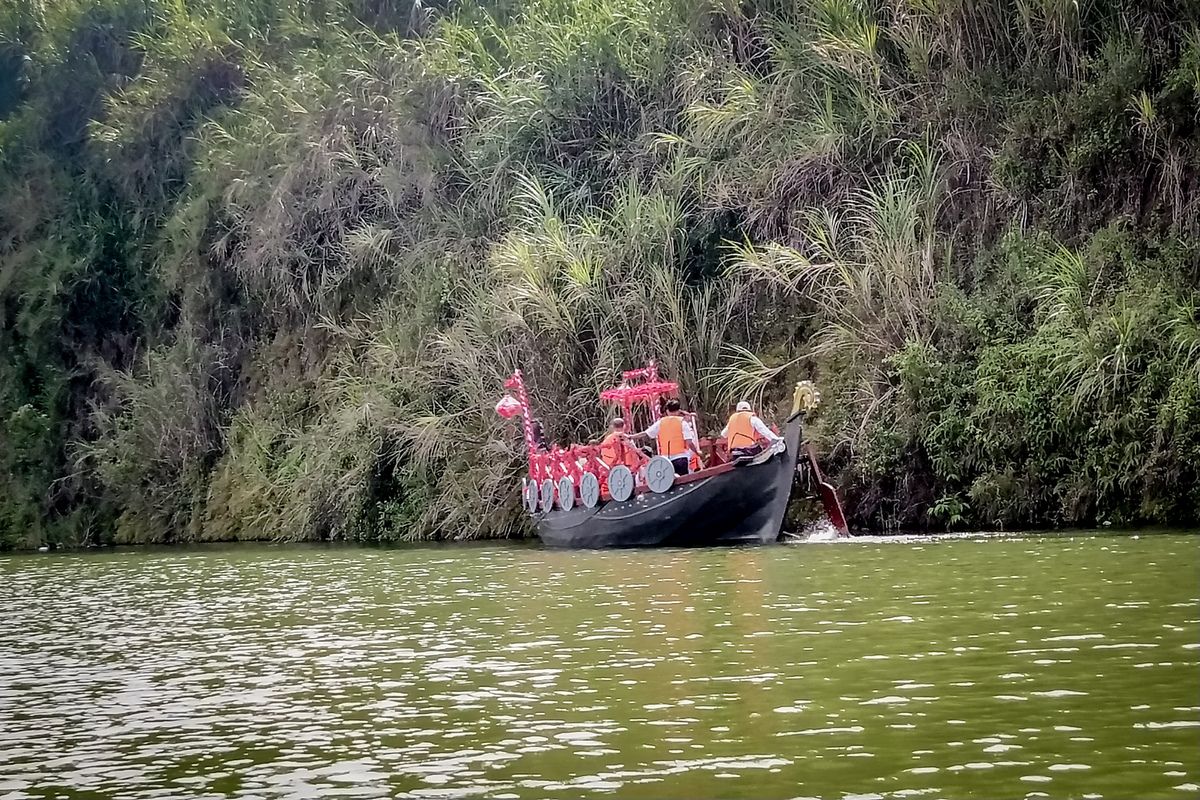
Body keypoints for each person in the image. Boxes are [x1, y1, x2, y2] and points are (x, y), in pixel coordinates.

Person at [635, 398, 703, 475]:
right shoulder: (682, 423)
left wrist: (631, 436)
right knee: (683, 480)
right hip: (680, 458)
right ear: (678, 411)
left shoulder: (661, 422)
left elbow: (646, 433)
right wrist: (696, 452)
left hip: (666, 460)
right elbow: (689, 443)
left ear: (667, 411)